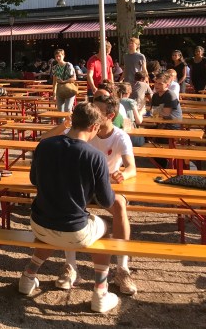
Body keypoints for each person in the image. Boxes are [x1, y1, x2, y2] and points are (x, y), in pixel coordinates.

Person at [18, 102, 120, 313]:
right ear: (93, 127)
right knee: (107, 228)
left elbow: (34, 180)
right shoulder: (95, 156)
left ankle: (28, 276)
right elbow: (106, 201)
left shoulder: (44, 145)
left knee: (53, 230)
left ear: (72, 121)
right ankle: (101, 291)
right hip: (73, 231)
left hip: (38, 224)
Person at [47, 92, 137, 295]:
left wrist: (122, 174)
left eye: (99, 110)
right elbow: (46, 139)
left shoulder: (120, 136)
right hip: (83, 185)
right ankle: (71, 267)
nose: (93, 112)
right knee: (68, 202)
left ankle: (122, 268)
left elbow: (132, 167)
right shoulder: (85, 129)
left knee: (120, 205)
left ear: (111, 116)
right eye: (93, 108)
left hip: (107, 185)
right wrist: (64, 125)